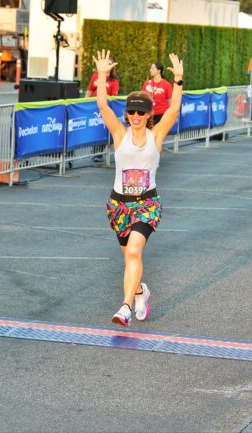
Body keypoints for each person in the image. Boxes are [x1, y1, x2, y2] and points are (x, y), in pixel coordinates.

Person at [93, 49, 183, 326]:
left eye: (140, 112)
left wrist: (178, 80)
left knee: (134, 252)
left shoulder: (156, 135)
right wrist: (102, 75)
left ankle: (125, 307)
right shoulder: (119, 134)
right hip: (118, 205)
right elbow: (103, 107)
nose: (134, 115)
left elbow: (174, 109)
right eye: (131, 111)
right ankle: (140, 290)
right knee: (129, 256)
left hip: (146, 204)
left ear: (147, 114)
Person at [85, 58, 119, 162]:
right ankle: (96, 151)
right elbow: (89, 90)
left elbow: (113, 97)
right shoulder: (95, 76)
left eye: (109, 64)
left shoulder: (114, 80)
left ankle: (99, 153)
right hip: (93, 107)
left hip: (105, 108)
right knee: (94, 128)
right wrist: (85, 102)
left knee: (102, 129)